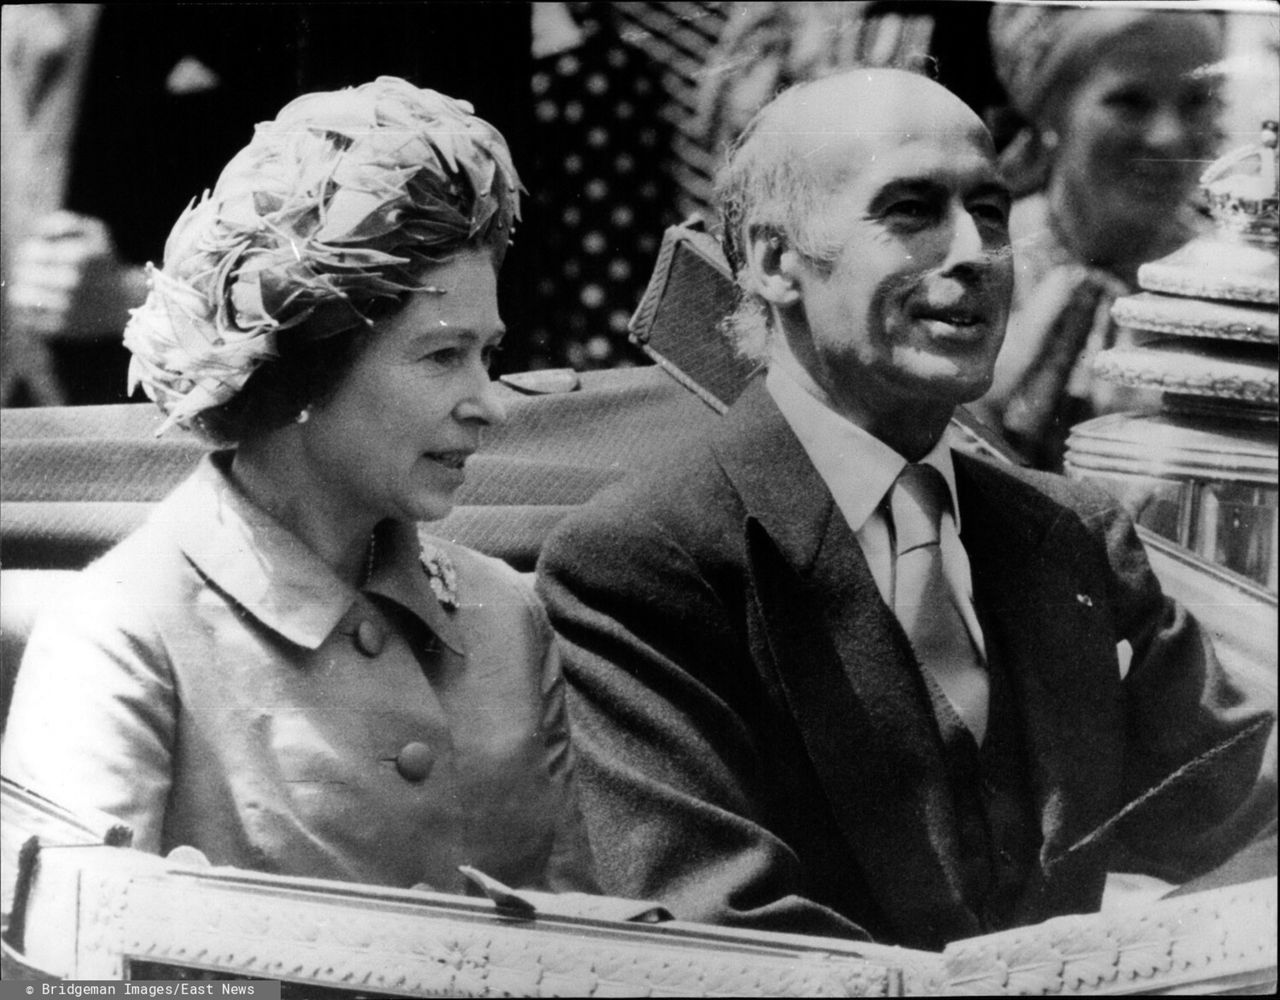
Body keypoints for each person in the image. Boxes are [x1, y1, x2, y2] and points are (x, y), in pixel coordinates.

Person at [536, 68, 1275, 950]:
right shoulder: (642, 560)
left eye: (992, 211)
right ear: (776, 263)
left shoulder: (1070, 536)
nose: (975, 251)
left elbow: (1232, 803)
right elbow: (724, 937)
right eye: (912, 211)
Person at [2, 77, 595, 896]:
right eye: (441, 355)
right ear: (307, 364)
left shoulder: (504, 621)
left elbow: (584, 951)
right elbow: (70, 982)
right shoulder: (123, 631)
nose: (488, 402)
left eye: (488, 355)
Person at [971, 5, 1226, 469]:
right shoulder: (976, 261)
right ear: (1051, 110)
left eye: (1195, 101)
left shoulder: (1234, 292)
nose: (1168, 137)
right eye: (1130, 101)